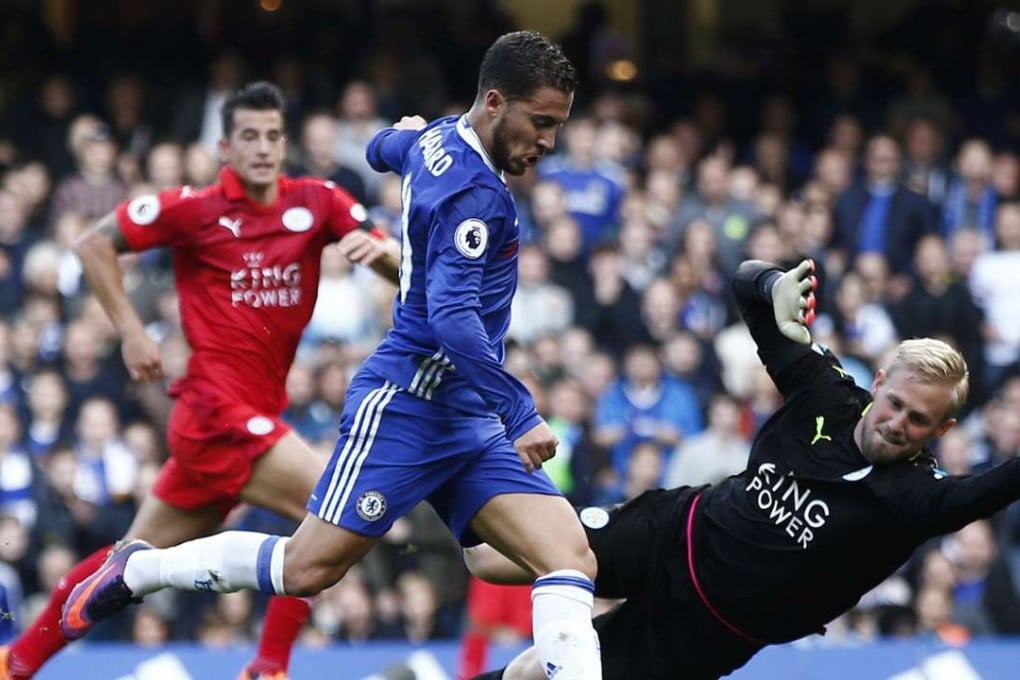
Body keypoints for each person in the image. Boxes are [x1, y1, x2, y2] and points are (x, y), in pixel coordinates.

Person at [60, 32, 603, 680]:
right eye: (540, 123)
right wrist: (519, 411)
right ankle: (142, 567)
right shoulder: (473, 196)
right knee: (306, 568)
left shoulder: (436, 139)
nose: (547, 141)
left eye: (557, 126)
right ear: (494, 102)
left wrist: (392, 141)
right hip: (406, 405)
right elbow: (453, 319)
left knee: (569, 557)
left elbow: (385, 148)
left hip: (463, 413)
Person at [0, 81, 400, 680]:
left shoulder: (320, 201)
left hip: (250, 422)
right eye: (249, 137)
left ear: (284, 143)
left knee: (125, 566)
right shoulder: (196, 208)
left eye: (272, 136)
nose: (262, 148)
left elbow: (394, 261)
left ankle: (17, 662)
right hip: (216, 412)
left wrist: (383, 258)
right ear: (224, 146)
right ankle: (269, 666)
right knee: (335, 518)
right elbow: (92, 244)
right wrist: (133, 331)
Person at [466, 257, 1020, 680]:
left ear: (942, 432)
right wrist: (772, 284)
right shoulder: (825, 393)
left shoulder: (916, 497)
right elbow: (745, 285)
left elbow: (994, 488)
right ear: (878, 383)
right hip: (673, 532)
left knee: (544, 672)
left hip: (704, 632)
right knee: (488, 559)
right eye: (895, 403)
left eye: (920, 421)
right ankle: (448, 442)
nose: (898, 423)